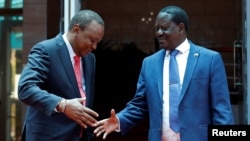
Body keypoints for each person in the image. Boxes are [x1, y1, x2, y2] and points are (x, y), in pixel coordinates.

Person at [93, 5, 234, 141]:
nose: (159, 33)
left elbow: (222, 110)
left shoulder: (209, 59)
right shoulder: (149, 63)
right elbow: (139, 105)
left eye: (164, 28)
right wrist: (119, 120)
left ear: (181, 28)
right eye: (157, 29)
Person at [18, 9, 104, 141]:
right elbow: (26, 88)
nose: (94, 47)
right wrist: (62, 105)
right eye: (92, 40)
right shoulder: (46, 50)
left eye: (97, 42)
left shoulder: (90, 59)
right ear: (76, 30)